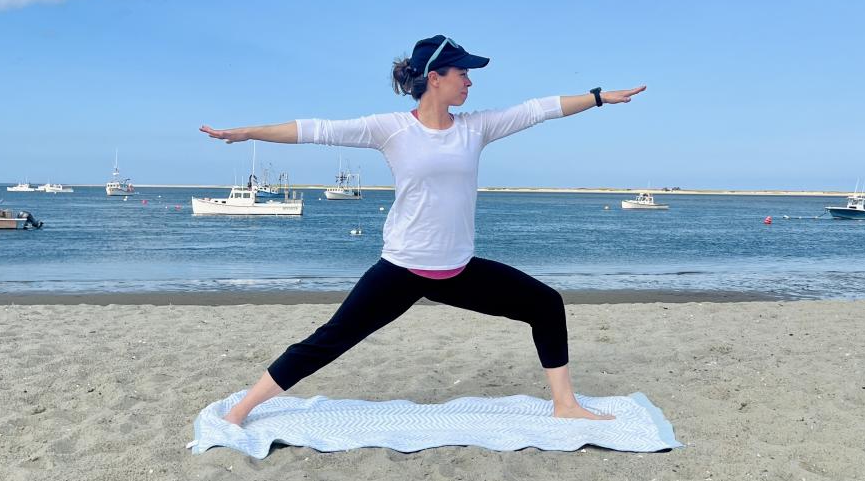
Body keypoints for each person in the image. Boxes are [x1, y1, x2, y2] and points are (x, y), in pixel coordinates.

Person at [200, 34, 646, 427]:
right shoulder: (390, 130)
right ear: (435, 77)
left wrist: (598, 97)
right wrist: (249, 133)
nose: (469, 82)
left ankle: (565, 405)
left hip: (458, 270)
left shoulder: (476, 128)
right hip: (402, 268)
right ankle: (241, 410)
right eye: (462, 73)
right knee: (329, 340)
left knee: (545, 304)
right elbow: (316, 130)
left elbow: (536, 110)